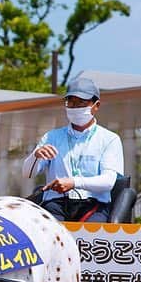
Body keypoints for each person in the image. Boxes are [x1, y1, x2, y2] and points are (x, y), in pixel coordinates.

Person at [22, 77, 124, 222]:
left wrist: (74, 182)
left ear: (96, 105)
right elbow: (27, 174)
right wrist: (35, 156)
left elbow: (108, 181)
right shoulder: (52, 136)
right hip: (56, 204)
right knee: (49, 237)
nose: (75, 107)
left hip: (93, 205)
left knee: (90, 239)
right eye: (71, 102)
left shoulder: (109, 139)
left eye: (81, 102)